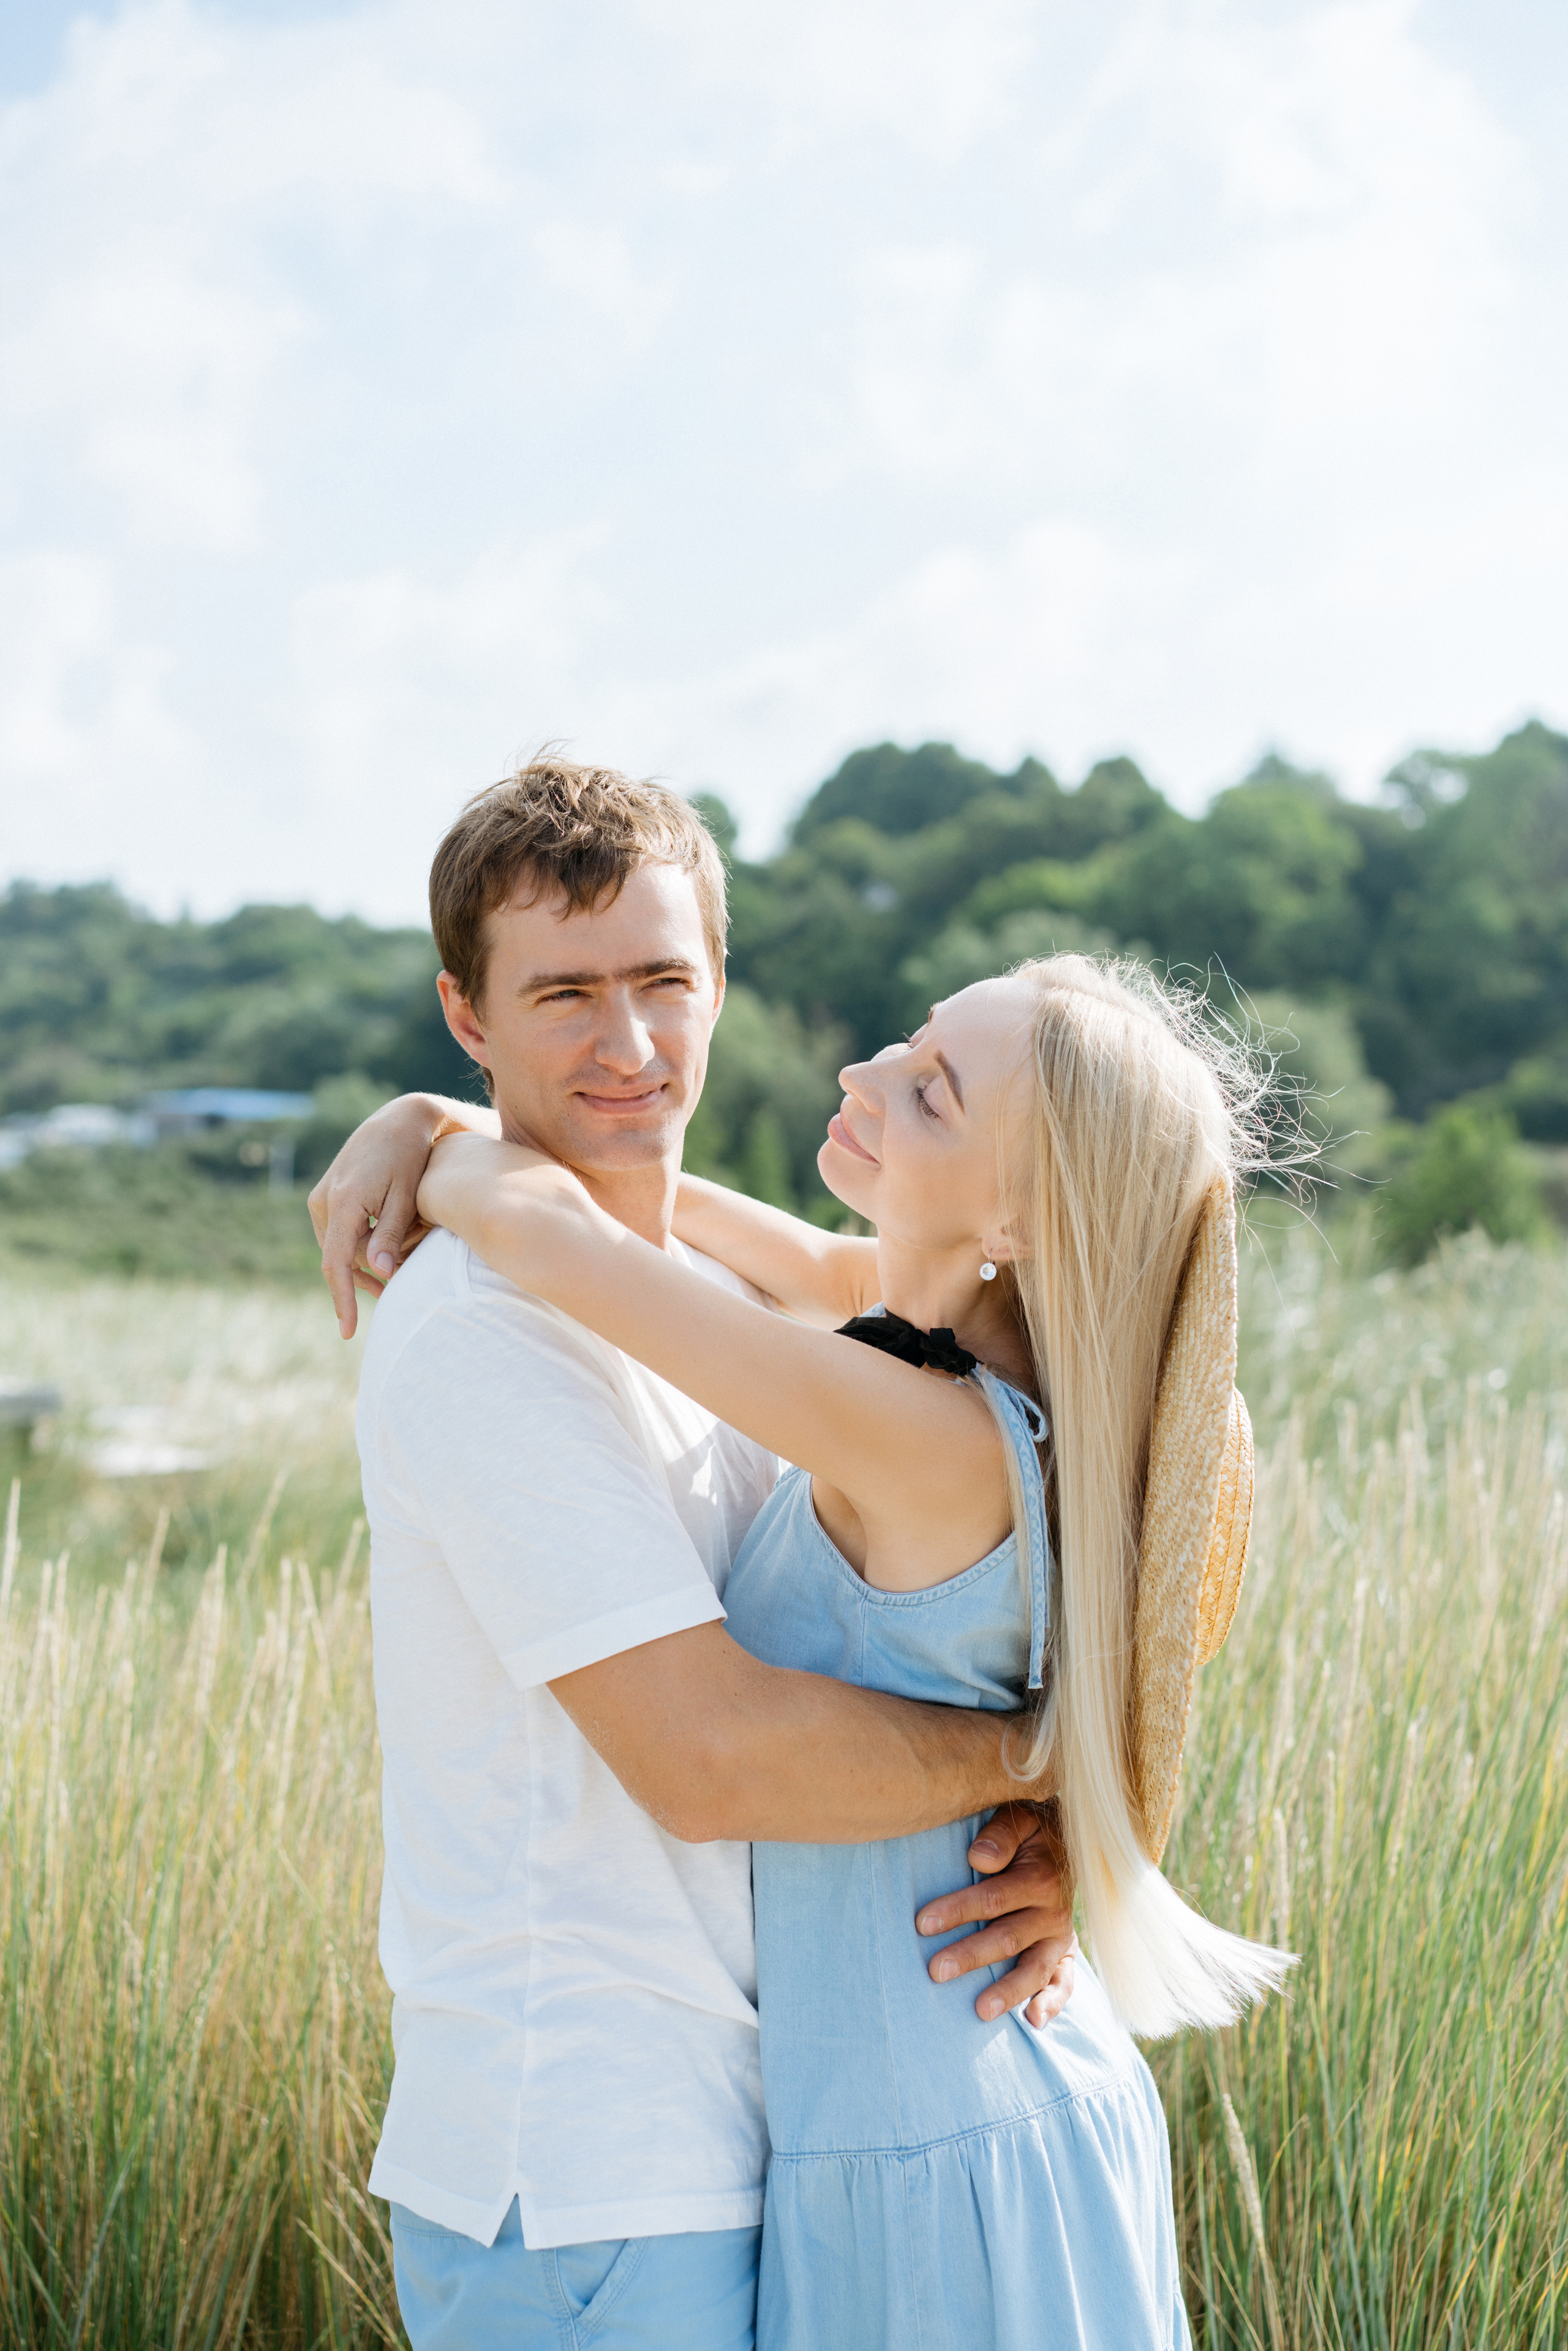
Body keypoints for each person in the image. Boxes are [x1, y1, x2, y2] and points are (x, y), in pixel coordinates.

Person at [336, 915, 1294, 2347]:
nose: (862, 1070)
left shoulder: (916, 1430)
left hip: (930, 2147)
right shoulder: (951, 1360)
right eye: (907, 1044)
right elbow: (725, 1234)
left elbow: (557, 1236)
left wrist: (438, 1134)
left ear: (1021, 1223)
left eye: (928, 1089)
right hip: (941, 2109)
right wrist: (443, 1109)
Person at [311, 760, 1077, 2351]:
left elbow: (767, 1255)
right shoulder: (481, 1328)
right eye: (564, 995)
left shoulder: (702, 1311)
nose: (630, 1041)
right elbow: (709, 1754)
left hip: (738, 2127)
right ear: (468, 1012)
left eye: (664, 980)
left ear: (721, 981)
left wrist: (1073, 1820)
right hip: (578, 2163)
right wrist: (1041, 1760)